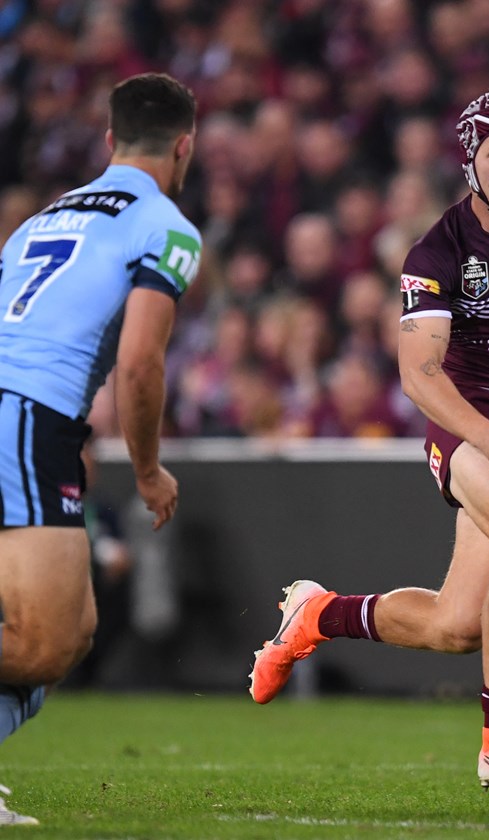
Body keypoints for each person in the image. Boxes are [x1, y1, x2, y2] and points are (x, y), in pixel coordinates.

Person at [248, 91, 489, 791]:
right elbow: (418, 373)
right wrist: (488, 437)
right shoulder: (437, 250)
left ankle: (318, 614)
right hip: (467, 421)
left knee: (458, 628)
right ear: (470, 163)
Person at [0, 72, 200, 824]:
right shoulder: (166, 225)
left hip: (19, 410)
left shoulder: (40, 219)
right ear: (185, 146)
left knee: (71, 631)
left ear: (110, 141)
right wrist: (147, 471)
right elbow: (140, 363)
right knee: (44, 640)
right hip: (26, 413)